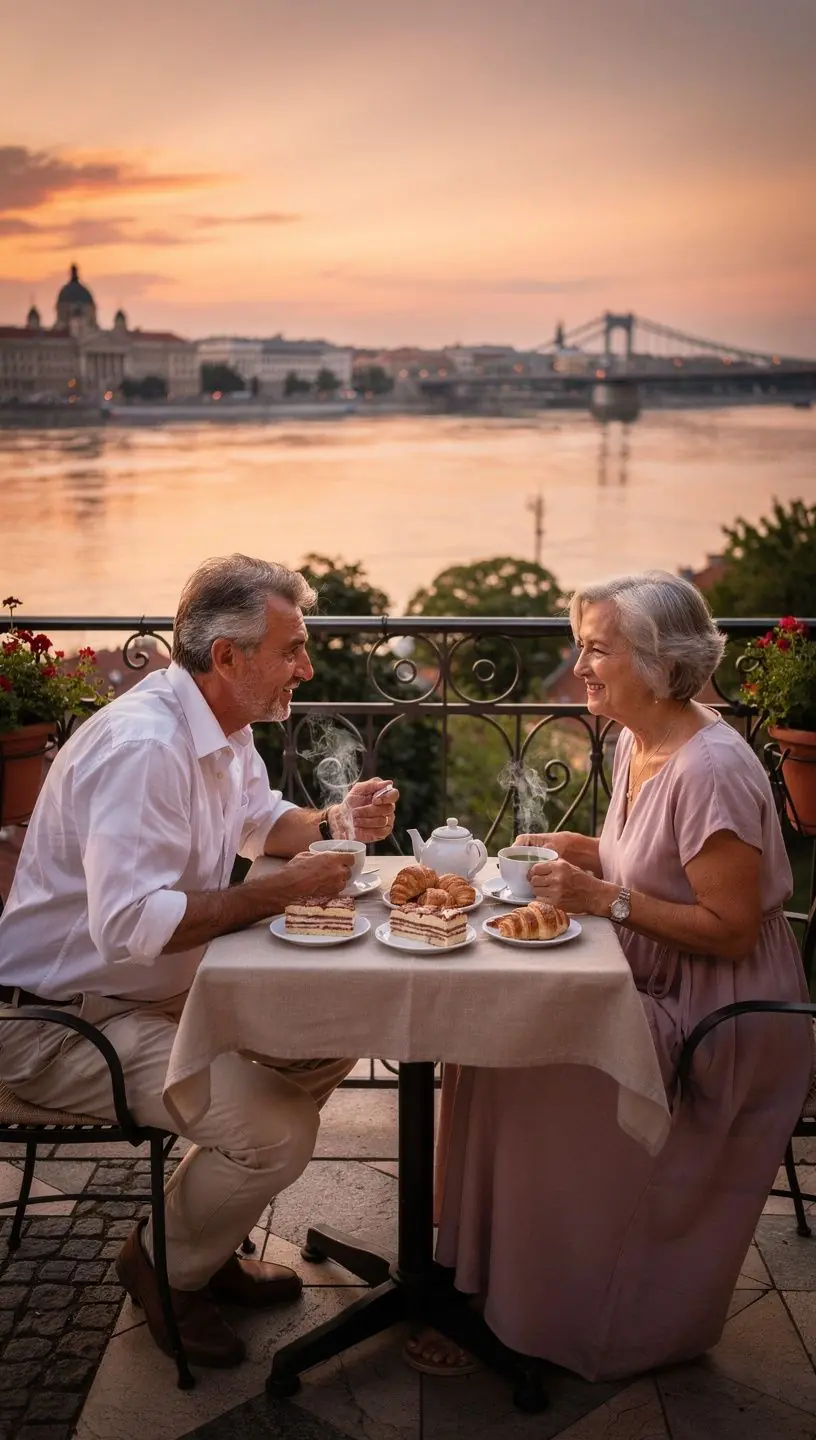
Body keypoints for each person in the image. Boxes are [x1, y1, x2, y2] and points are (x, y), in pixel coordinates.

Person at [409, 571, 812, 1381]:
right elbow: (656, 869)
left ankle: (566, 1320)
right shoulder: (638, 735)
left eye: (597, 649)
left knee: (526, 1059)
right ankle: (482, 1279)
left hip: (717, 1012)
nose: (581, 666)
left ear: (659, 662)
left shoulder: (713, 771)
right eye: (580, 645)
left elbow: (731, 931)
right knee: (482, 1040)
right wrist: (587, 852)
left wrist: (603, 896)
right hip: (654, 978)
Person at [0, 553, 398, 1370]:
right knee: (279, 1130)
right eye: (291, 650)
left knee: (327, 1034)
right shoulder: (143, 748)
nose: (307, 667)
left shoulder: (219, 726)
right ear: (227, 657)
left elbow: (259, 823)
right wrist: (282, 896)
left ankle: (197, 1241)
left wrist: (334, 819)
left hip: (149, 1002)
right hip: (58, 1025)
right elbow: (132, 926)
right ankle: (166, 1270)